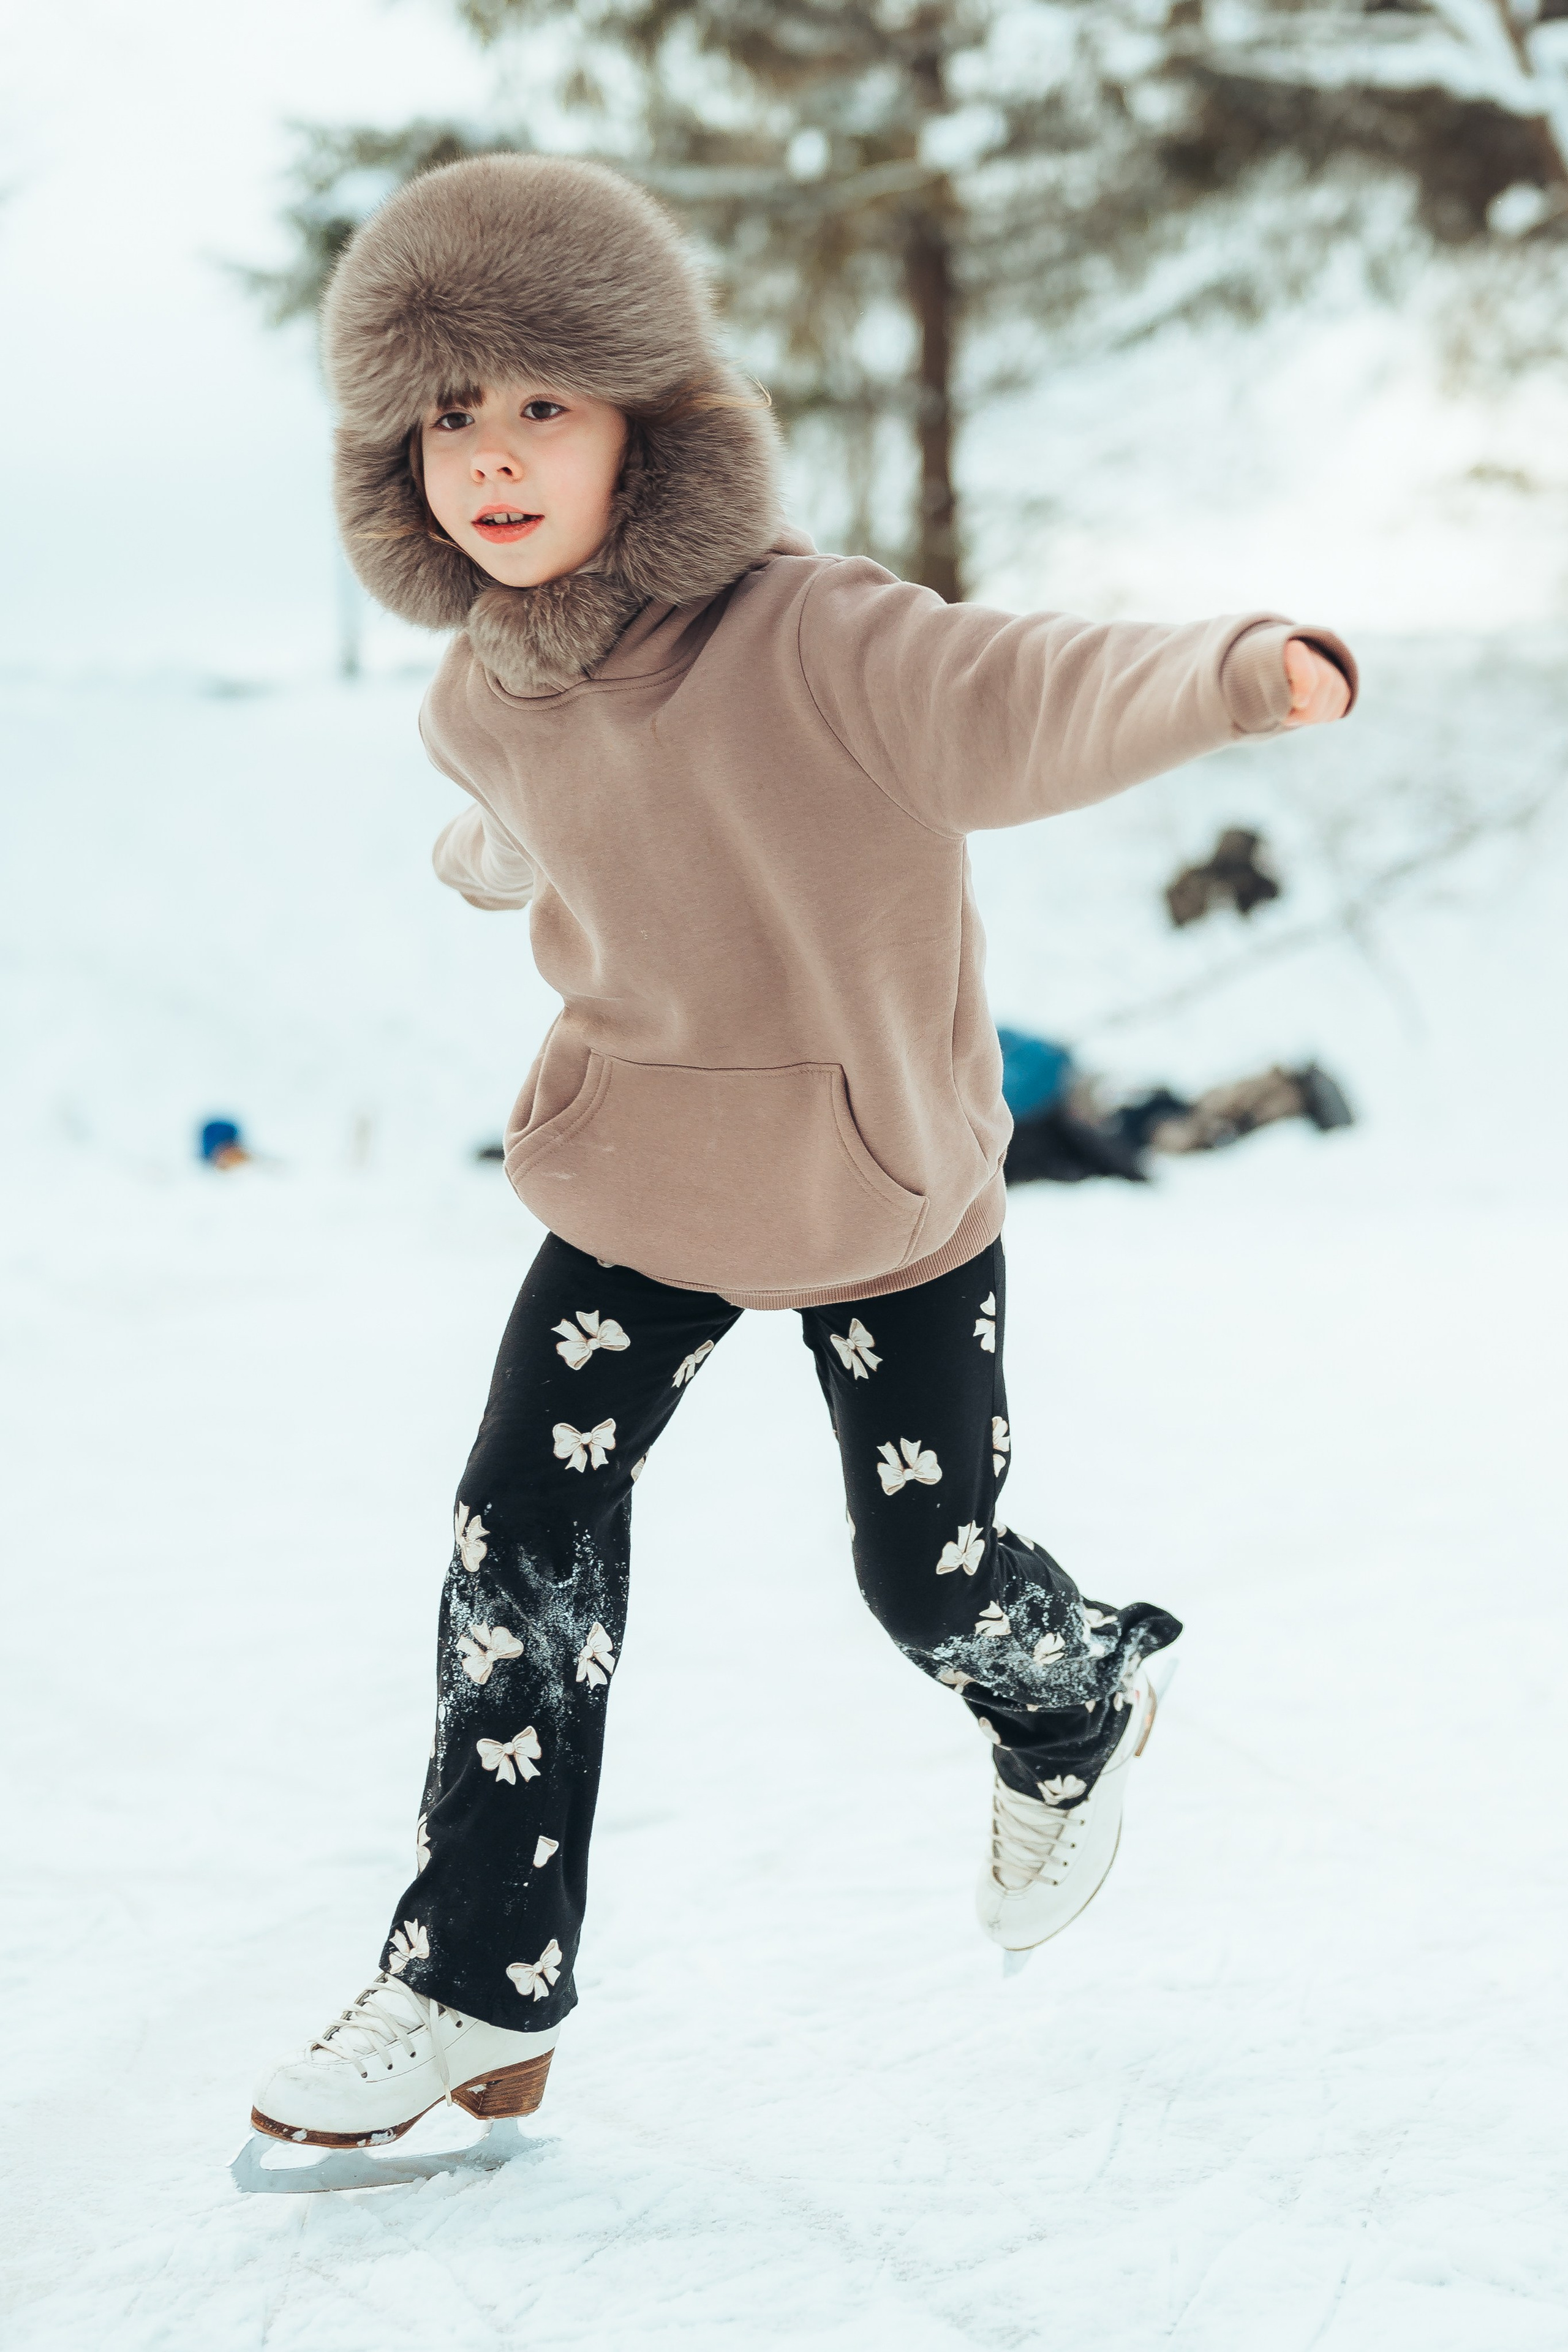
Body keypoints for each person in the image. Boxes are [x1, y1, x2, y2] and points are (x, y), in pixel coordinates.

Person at [246, 155, 1354, 2160]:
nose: (487, 460)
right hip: (645, 1171)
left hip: (876, 1182)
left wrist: (1227, 673)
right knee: (523, 1535)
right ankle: (475, 1980)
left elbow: (1016, 692)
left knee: (923, 1580)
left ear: (645, 424)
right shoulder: (482, 686)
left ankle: (1072, 1695)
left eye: (538, 407)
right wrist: (493, 850)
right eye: (446, 417)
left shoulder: (819, 637)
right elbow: (536, 803)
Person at [996, 1027, 1355, 1186]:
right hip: (1080, 1115)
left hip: (1075, 1108)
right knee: (1195, 1120)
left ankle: (1287, 1094)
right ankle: (1287, 1094)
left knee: (1193, 1121)